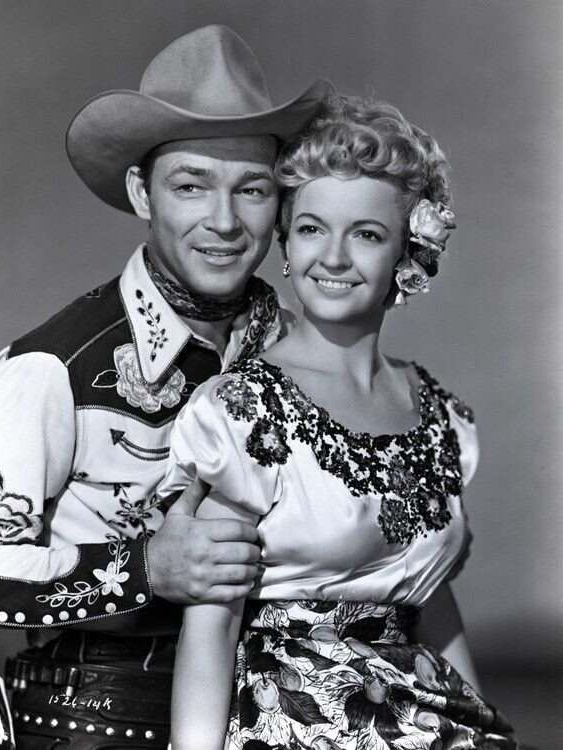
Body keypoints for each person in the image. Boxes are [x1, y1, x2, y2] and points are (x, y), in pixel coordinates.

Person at [0, 25, 332, 749]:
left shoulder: (304, 353)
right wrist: (143, 570)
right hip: (103, 717)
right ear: (142, 192)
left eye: (252, 189)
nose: (224, 222)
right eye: (191, 186)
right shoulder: (52, 367)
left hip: (280, 713)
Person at [158, 96, 519, 748]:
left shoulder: (440, 415)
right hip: (299, 724)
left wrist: (479, 725)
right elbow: (210, 629)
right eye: (311, 229)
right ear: (286, 246)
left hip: (420, 717)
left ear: (407, 256)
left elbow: (431, 601)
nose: (333, 257)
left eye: (366, 234)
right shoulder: (243, 412)